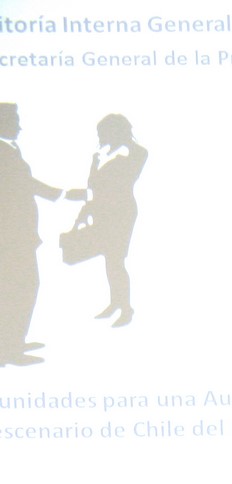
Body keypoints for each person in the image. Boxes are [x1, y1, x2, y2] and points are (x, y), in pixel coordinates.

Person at [65, 113, 147, 327]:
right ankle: (115, 303)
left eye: (102, 133)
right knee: (110, 259)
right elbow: (93, 184)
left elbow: (122, 182)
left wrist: (87, 193)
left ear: (115, 131)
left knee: (116, 259)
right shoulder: (100, 155)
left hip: (121, 213)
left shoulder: (136, 153)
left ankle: (125, 308)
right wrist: (85, 210)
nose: (100, 137)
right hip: (101, 211)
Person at [0, 103, 63, 366]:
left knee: (18, 287)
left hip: (16, 233)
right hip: (11, 235)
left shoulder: (9, 149)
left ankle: (13, 342)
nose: (19, 127)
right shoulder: (3, 152)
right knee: (21, 287)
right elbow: (23, 183)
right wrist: (60, 194)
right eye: (14, 121)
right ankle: (9, 350)